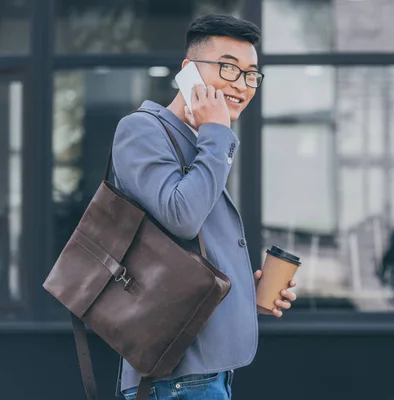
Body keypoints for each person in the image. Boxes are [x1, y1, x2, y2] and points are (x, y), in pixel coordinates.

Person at [111, 14, 297, 400]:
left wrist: (248, 291)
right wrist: (217, 132)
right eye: (228, 68)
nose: (241, 85)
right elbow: (182, 216)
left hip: (203, 374)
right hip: (173, 377)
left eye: (251, 75)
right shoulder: (142, 130)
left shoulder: (203, 144)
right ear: (188, 71)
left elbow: (184, 251)